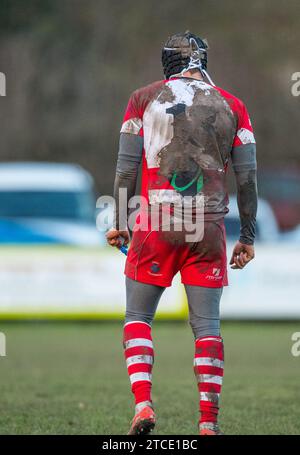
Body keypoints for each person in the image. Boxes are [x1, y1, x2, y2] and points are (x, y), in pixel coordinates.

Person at [106, 31, 257, 435]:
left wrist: (120, 220)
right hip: (207, 225)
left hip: (156, 220)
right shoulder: (235, 106)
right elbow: (247, 177)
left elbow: (125, 168)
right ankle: (208, 425)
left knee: (138, 317)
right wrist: (248, 234)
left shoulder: (143, 99)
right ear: (204, 61)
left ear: (166, 62)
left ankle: (143, 405)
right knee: (207, 328)